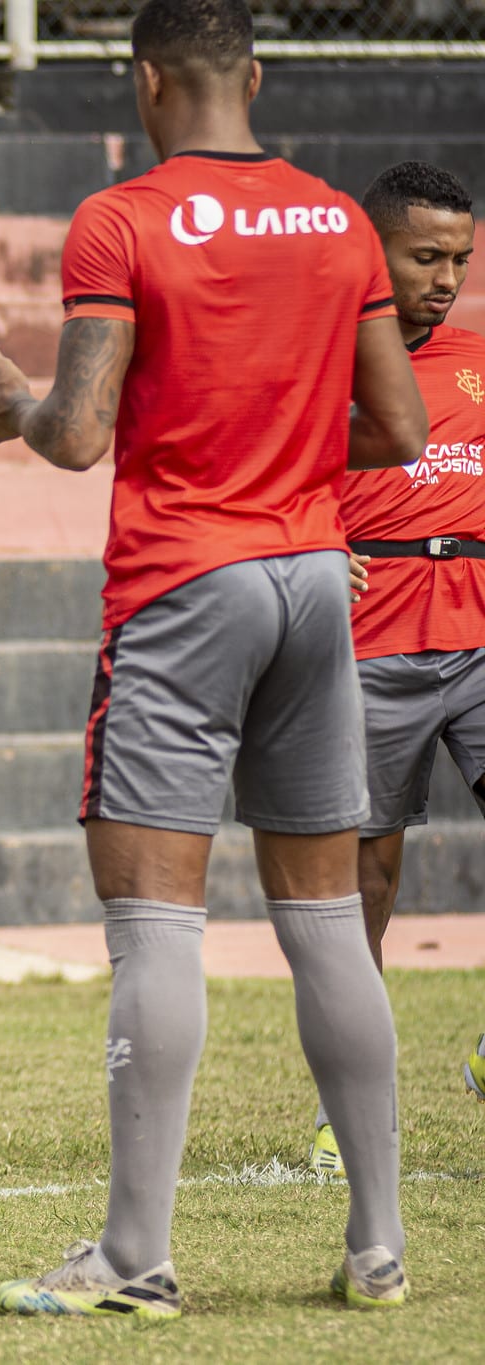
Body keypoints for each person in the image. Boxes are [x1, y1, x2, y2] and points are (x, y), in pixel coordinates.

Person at [0, 0, 428, 1319]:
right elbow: (395, 424)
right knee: (325, 920)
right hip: (315, 585)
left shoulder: (124, 218)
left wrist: (14, 406)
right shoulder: (339, 220)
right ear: (257, 78)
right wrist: (277, 435)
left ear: (148, 81)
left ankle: (135, 1257)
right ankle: (380, 1243)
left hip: (186, 584)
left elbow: (80, 432)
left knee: (157, 921)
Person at [330, 161, 485, 1163]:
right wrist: (307, 546)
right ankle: (342, 1107)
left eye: (458, 261)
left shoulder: (475, 359)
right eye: (423, 256)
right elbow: (265, 475)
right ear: (368, 252)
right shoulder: (317, 359)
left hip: (475, 633)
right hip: (366, 643)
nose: (444, 278)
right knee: (365, 876)